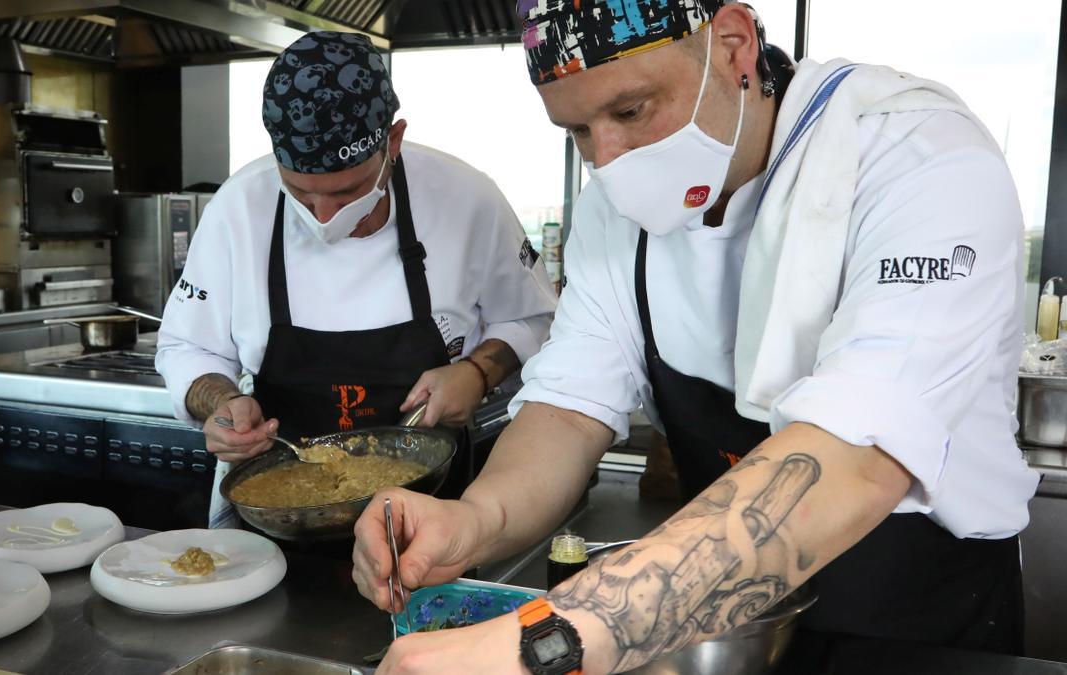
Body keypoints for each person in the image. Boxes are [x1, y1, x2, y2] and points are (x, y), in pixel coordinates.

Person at [350, 2, 1038, 673]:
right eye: (578, 132)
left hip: (915, 623)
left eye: (629, 111)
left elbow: (859, 457)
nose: (607, 159)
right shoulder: (615, 214)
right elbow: (568, 407)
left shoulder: (917, 157)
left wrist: (554, 639)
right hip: (727, 626)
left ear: (734, 44)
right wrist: (475, 519)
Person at [155, 31, 558, 526]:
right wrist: (222, 403)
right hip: (274, 513)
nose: (324, 217)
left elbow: (533, 318)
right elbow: (186, 347)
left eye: (346, 194)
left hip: (432, 512)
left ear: (393, 142)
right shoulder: (239, 208)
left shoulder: (467, 199)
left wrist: (475, 373)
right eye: (302, 195)